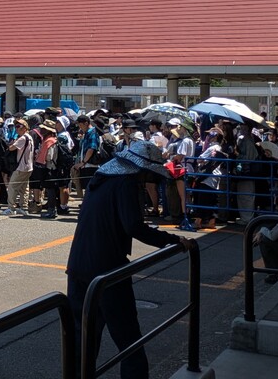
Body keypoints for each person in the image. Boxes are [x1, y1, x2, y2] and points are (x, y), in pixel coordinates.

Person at [66, 140, 194, 379]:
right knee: (129, 339)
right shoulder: (126, 183)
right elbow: (133, 226)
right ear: (141, 169)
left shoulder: (101, 178)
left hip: (79, 264)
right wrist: (172, 240)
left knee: (82, 338)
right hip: (108, 268)